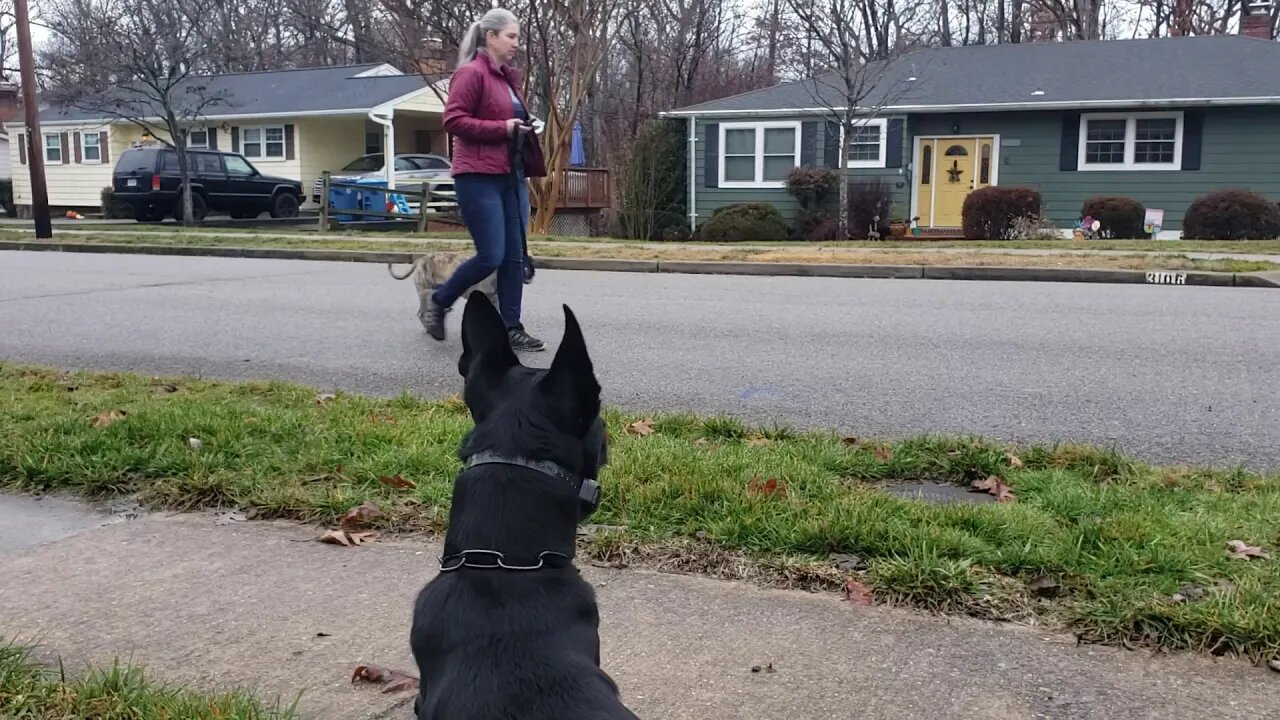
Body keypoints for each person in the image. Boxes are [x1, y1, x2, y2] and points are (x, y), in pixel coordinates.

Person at [423, 7, 547, 352]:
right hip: (477, 177)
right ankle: (440, 300)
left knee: (515, 257)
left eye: (518, 37)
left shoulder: (507, 79)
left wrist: (524, 125)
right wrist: (503, 129)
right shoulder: (471, 74)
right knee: (491, 255)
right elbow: (454, 121)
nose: (516, 44)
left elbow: (504, 118)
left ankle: (512, 328)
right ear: (490, 37)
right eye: (511, 36)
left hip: (511, 176)